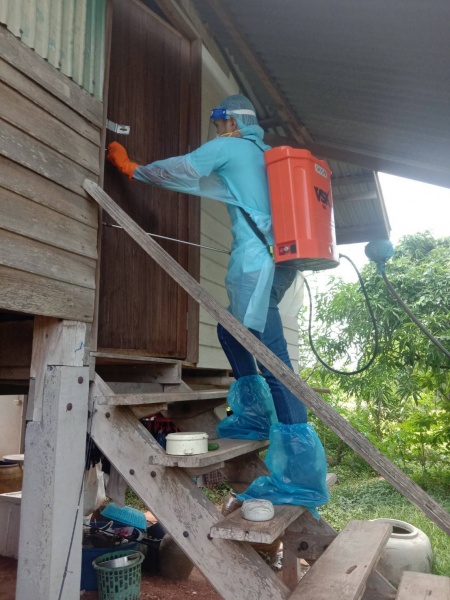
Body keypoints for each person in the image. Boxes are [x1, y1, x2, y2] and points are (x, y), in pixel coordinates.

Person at [107, 95, 329, 511]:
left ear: (229, 122)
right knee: (229, 330)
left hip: (258, 264)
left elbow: (184, 169)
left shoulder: (231, 147)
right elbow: (210, 185)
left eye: (217, 123)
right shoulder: (264, 155)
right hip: (282, 264)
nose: (216, 130)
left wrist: (133, 168)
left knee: (274, 361)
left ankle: (300, 478)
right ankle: (253, 416)